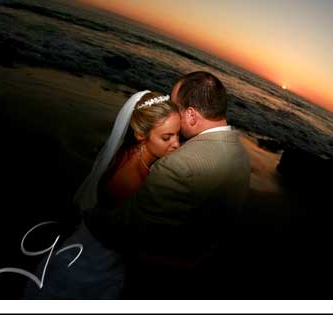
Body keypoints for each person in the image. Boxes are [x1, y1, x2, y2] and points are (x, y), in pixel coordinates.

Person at [84, 71, 252, 296]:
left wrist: (87, 217)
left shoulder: (178, 165)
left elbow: (126, 231)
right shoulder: (241, 155)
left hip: (153, 277)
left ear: (191, 115)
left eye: (176, 107)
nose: (171, 111)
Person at [23, 90, 180, 299]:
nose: (177, 143)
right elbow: (135, 246)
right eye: (167, 137)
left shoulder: (130, 153)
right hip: (92, 268)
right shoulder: (130, 182)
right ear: (141, 135)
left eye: (179, 134)